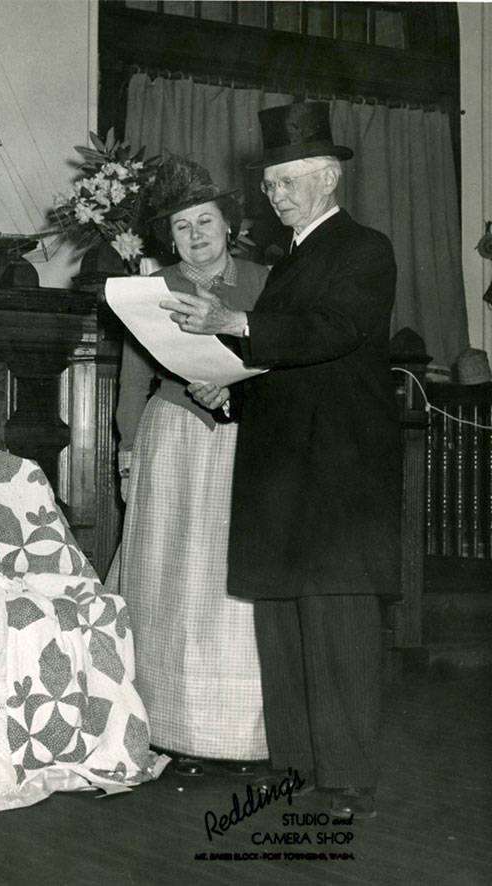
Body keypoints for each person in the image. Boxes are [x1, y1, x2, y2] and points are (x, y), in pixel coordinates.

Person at [163, 101, 399, 818]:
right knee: (283, 623)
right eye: (269, 186)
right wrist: (229, 385)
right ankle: (296, 766)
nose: (275, 195)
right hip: (280, 465)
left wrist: (236, 324)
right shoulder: (288, 260)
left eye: (287, 181)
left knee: (336, 624)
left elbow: (333, 331)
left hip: (337, 469)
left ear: (328, 179)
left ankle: (348, 780)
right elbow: (285, 356)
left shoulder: (364, 248)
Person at [111, 156, 269, 778]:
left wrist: (243, 386)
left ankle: (240, 733)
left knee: (233, 581)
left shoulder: (264, 281)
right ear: (169, 239)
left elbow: (287, 358)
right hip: (175, 439)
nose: (196, 235)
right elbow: (133, 382)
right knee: (170, 576)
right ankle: (170, 729)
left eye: (206, 221)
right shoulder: (151, 288)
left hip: (247, 439)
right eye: (183, 227)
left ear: (229, 226)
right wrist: (128, 453)